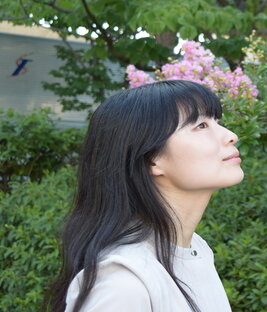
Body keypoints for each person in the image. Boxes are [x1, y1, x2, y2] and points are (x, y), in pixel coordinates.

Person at [46, 80, 243, 312]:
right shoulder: (124, 283)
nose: (231, 135)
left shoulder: (195, 250)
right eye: (201, 125)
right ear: (151, 159)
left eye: (216, 122)